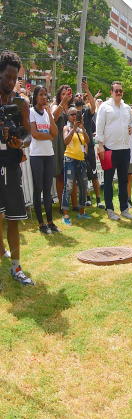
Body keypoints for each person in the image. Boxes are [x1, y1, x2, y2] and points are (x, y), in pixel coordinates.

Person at [0, 51, 35, 285]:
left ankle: (16, 267)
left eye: (15, 78)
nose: (11, 82)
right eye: (7, 77)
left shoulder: (21, 102)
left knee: (14, 218)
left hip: (12, 163)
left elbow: (28, 136)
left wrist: (19, 142)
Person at [95, 81, 132, 221]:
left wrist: (131, 127)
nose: (119, 93)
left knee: (124, 180)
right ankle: (110, 209)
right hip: (108, 149)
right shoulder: (104, 107)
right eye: (116, 91)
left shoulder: (126, 108)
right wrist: (100, 145)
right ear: (111, 92)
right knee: (108, 181)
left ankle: (124, 209)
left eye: (120, 91)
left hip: (124, 149)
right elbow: (99, 127)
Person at [28, 86, 58, 233]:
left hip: (49, 154)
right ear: (35, 97)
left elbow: (56, 132)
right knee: (38, 188)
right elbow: (35, 134)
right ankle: (41, 224)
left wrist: (50, 115)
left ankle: (51, 222)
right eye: (41, 95)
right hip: (36, 156)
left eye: (45, 95)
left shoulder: (47, 113)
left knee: (47, 190)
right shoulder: (31, 112)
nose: (44, 97)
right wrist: (49, 136)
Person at [61, 106, 91, 224]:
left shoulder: (80, 128)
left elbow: (87, 141)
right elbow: (65, 141)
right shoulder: (66, 127)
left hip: (81, 160)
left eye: (76, 114)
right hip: (70, 160)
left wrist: (82, 128)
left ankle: (82, 212)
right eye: (72, 114)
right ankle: (66, 214)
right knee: (68, 187)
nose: (74, 117)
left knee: (83, 186)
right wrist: (73, 128)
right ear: (68, 116)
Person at [50, 84, 72, 206]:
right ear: (59, 96)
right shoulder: (55, 106)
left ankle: (71, 202)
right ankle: (62, 204)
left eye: (67, 94)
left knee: (71, 174)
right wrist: (62, 103)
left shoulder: (72, 108)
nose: (65, 96)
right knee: (60, 174)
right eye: (62, 94)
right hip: (58, 142)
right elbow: (53, 117)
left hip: (71, 142)